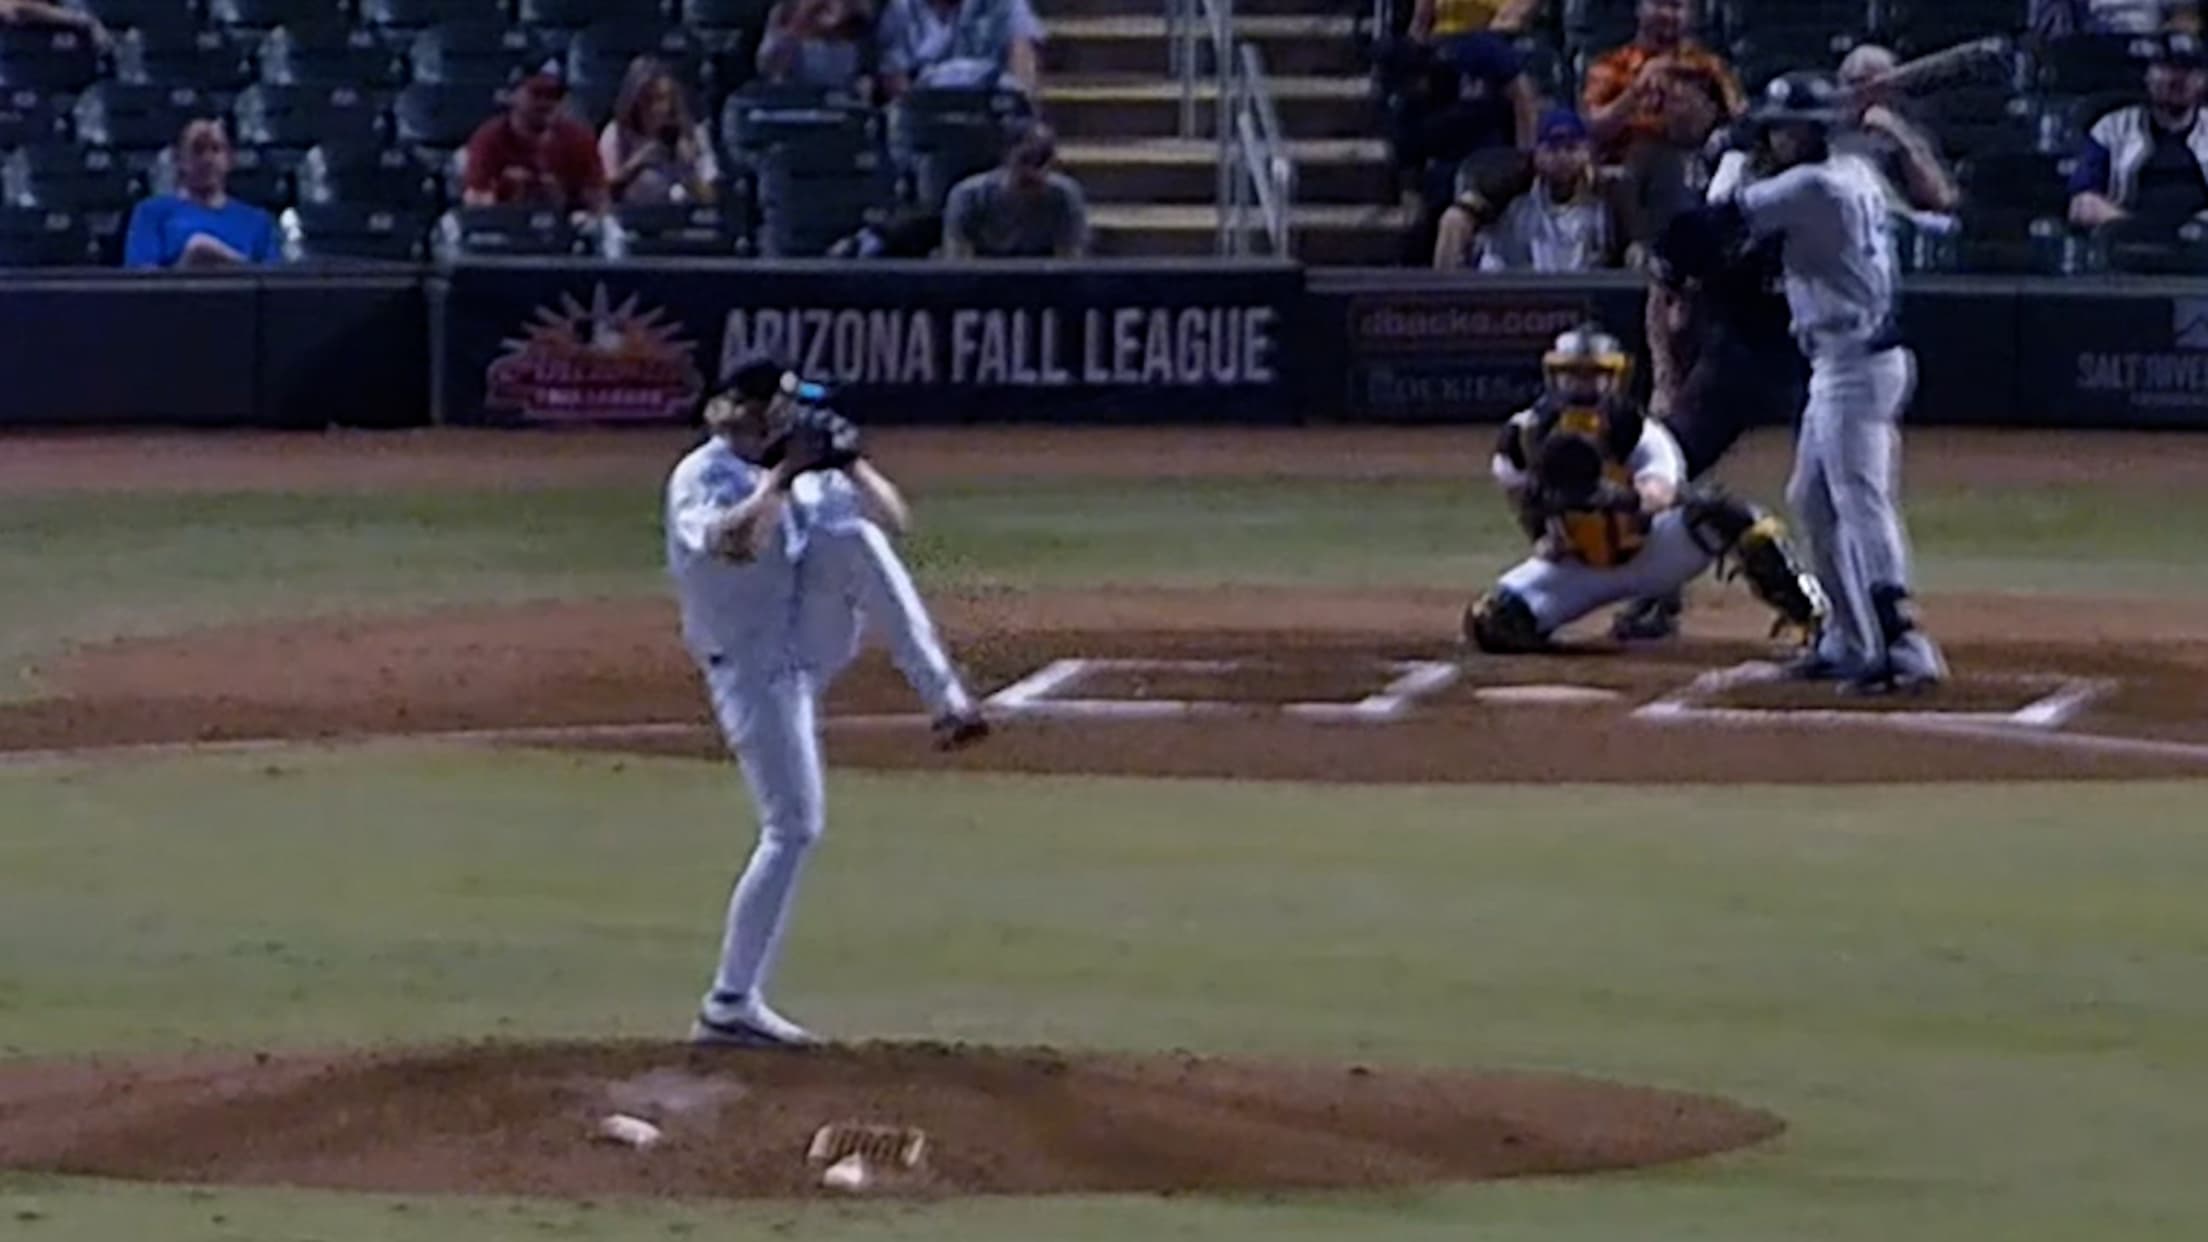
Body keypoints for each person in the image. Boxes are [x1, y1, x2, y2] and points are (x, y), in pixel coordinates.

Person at [667, 355, 989, 1048]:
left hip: (807, 639)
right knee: (794, 827)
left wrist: (852, 463)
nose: (793, 418)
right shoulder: (702, 475)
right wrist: (783, 479)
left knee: (855, 537)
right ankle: (729, 1004)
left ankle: (947, 702)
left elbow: (895, 524)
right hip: (752, 670)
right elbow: (734, 543)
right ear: (749, 412)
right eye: (781, 408)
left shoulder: (806, 472)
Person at [1705, 72, 1944, 693]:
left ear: (1811, 132)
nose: (1776, 139)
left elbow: (1711, 225)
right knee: (1812, 499)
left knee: (1860, 499)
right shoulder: (1853, 173)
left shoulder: (1812, 186)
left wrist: (1730, 153)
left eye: (1785, 129)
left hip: (1856, 365)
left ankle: (1904, 645)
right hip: (1842, 362)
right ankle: (1847, 637)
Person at [1462, 325, 1826, 654]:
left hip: (1651, 553)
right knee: (1493, 622)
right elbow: (1520, 495)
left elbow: (1661, 493)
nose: (1584, 388)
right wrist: (1543, 532)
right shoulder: (1523, 438)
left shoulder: (1638, 432)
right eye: (1574, 377)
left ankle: (1813, 616)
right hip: (1577, 566)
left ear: (1615, 378)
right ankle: (1570, 632)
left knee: (1727, 515)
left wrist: (1611, 497)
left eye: (1596, 377)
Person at [1613, 122, 1805, 641]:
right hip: (1737, 358)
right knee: (1663, 466)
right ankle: (1655, 593)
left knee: (1827, 486)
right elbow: (1663, 290)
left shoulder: (1816, 197)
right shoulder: (1712, 222)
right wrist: (1666, 378)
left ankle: (1846, 610)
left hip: (1811, 357)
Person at [1581, 0, 1744, 246]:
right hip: (1632, 172)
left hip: (1695, 161)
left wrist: (1703, 115)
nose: (1668, 14)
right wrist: (1636, 89)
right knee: (1648, 153)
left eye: (1677, 6)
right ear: (1639, 9)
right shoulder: (1612, 64)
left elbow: (1740, 116)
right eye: (1659, 4)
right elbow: (1593, 126)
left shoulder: (1709, 66)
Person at [1434, 109, 1624, 271]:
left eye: (1571, 148)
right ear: (1536, 153)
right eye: (1552, 148)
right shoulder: (1512, 194)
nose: (1562, 157)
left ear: (1587, 152)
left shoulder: (1605, 201)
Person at [2068, 35, 2208, 248]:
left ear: (2203, 80)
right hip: (2123, 254)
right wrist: (2136, 230)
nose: (2178, 79)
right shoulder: (2112, 128)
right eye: (2166, 68)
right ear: (2147, 76)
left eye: (2189, 70)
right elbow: (2082, 205)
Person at [123, 119, 278, 269]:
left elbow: (274, 282)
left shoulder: (257, 221)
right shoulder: (151, 214)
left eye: (216, 149)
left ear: (230, 159)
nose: (207, 159)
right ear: (179, 159)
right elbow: (144, 282)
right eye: (198, 150)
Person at [462, 62, 609, 214]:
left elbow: (599, 200)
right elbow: (475, 201)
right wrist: (504, 192)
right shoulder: (489, 138)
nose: (546, 103)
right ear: (512, 95)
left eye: (555, 95)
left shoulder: (578, 138)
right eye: (537, 93)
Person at [1832, 45, 1960, 215]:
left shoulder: (1911, 133)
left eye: (1880, 85)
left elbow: (1940, 198)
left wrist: (1898, 135)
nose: (1867, 92)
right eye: (1857, 83)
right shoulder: (1826, 134)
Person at [941, 123, 1087, 258]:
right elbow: (957, 262)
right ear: (1006, 157)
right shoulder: (968, 197)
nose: (1034, 173)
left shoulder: (1064, 197)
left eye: (1043, 162)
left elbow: (1070, 262)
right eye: (1025, 160)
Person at [599, 58, 719, 207]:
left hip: (685, 222)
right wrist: (637, 164)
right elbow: (602, 195)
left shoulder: (694, 133)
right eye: (648, 99)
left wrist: (687, 170)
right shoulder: (616, 133)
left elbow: (710, 198)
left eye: (663, 98)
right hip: (632, 219)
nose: (657, 108)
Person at [876, 0, 1043, 97]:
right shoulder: (903, 8)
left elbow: (1022, 68)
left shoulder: (1005, 4)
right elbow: (895, 85)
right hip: (925, 122)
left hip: (989, 120)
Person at [758, 0, 873, 93]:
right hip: (796, 99)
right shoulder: (786, 11)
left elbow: (867, 68)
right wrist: (792, 32)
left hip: (840, 100)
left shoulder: (858, 15)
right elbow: (767, 68)